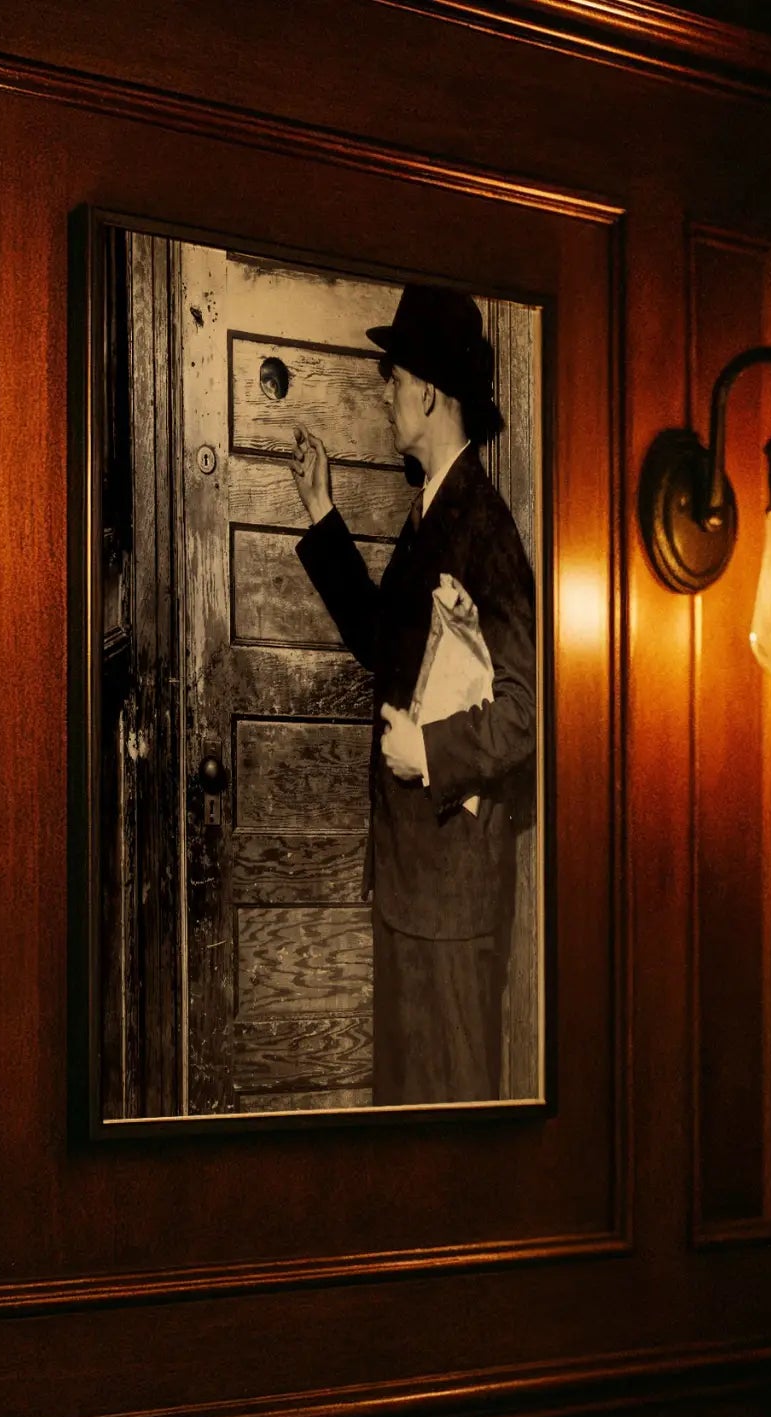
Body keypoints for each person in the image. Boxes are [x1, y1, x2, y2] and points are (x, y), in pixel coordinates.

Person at [289, 284, 537, 1105]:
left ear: (429, 390)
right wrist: (322, 512)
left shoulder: (482, 527)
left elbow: (524, 712)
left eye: (393, 377)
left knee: (453, 1121)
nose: (385, 393)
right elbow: (380, 642)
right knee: (406, 1116)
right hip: (414, 885)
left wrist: (424, 752)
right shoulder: (430, 511)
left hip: (454, 900)